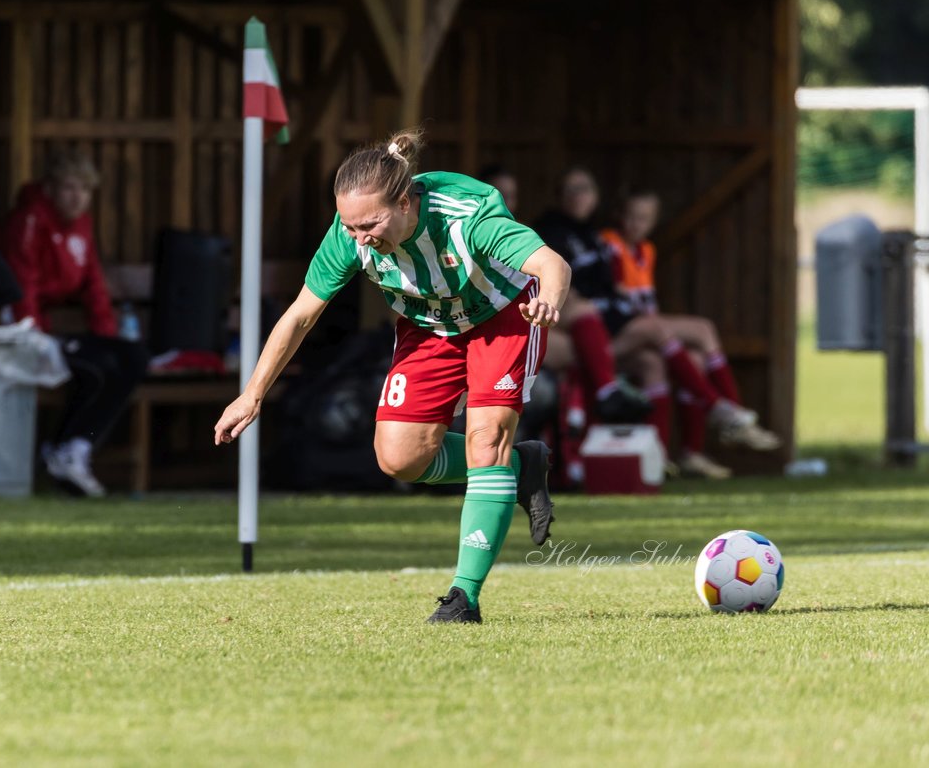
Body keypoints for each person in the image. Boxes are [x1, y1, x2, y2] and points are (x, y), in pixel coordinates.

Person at [216, 129, 572, 624]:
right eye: (351, 226)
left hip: (504, 316)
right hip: (429, 327)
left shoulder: (466, 216)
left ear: (405, 202)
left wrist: (548, 299)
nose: (360, 238)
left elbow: (550, 262)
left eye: (370, 224)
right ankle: (518, 468)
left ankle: (462, 597)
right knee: (399, 459)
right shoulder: (350, 235)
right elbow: (300, 315)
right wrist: (251, 395)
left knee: (484, 439)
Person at [534, 167, 781, 453]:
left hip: (612, 320)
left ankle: (665, 455)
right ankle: (722, 410)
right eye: (572, 189)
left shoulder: (597, 236)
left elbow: (611, 287)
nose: (579, 196)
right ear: (558, 195)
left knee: (671, 356)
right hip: (594, 327)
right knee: (667, 329)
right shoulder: (556, 232)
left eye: (586, 188)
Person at [0, 154, 148, 497]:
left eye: (84, 189)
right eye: (69, 188)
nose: (77, 197)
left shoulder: (82, 225)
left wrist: (107, 336)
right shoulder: (30, 221)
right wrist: (33, 335)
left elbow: (93, 285)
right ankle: (63, 448)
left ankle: (73, 446)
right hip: (20, 333)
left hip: (54, 332)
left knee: (132, 357)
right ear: (50, 189)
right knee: (98, 367)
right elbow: (23, 286)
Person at [603, 188, 780, 474]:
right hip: (618, 334)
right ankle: (726, 411)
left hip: (641, 330)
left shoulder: (646, 250)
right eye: (632, 217)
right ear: (619, 216)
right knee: (701, 329)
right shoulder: (609, 244)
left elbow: (644, 302)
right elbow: (619, 300)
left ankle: (684, 453)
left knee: (693, 360)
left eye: (644, 218)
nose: (637, 224)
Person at [479, 163, 651, 425]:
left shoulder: (519, 235)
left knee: (638, 358)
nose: (503, 202)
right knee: (587, 345)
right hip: (487, 335)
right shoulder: (465, 234)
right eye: (495, 193)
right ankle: (606, 391)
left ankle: (592, 442)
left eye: (510, 196)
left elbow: (541, 281)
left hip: (525, 326)